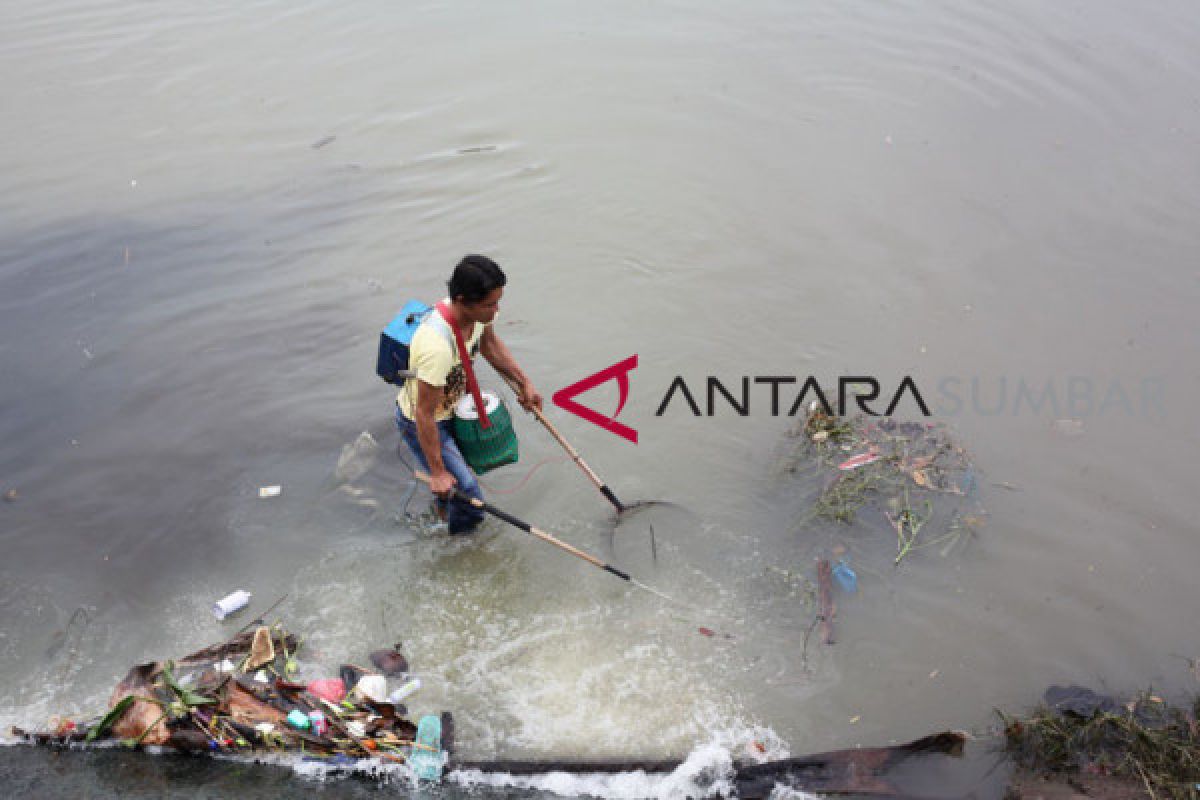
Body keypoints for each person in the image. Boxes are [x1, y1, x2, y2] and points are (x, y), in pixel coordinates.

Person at [396, 255, 543, 533]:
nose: (496, 310)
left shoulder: (478, 315)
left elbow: (489, 344)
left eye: (498, 301)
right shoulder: (436, 346)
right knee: (470, 496)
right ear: (462, 300)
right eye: (490, 305)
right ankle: (459, 545)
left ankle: (442, 509)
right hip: (427, 421)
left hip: (454, 407)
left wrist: (525, 383)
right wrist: (438, 472)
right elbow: (422, 413)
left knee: (461, 481)